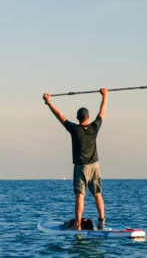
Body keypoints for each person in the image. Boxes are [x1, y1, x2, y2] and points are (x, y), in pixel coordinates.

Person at [42, 88, 108, 230]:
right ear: (88, 118)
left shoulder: (75, 129)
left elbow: (60, 116)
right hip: (95, 166)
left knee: (80, 196)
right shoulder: (94, 127)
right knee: (98, 194)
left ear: (78, 118)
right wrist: (105, 95)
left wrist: (48, 103)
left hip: (81, 167)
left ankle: (78, 225)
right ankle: (102, 222)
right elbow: (102, 112)